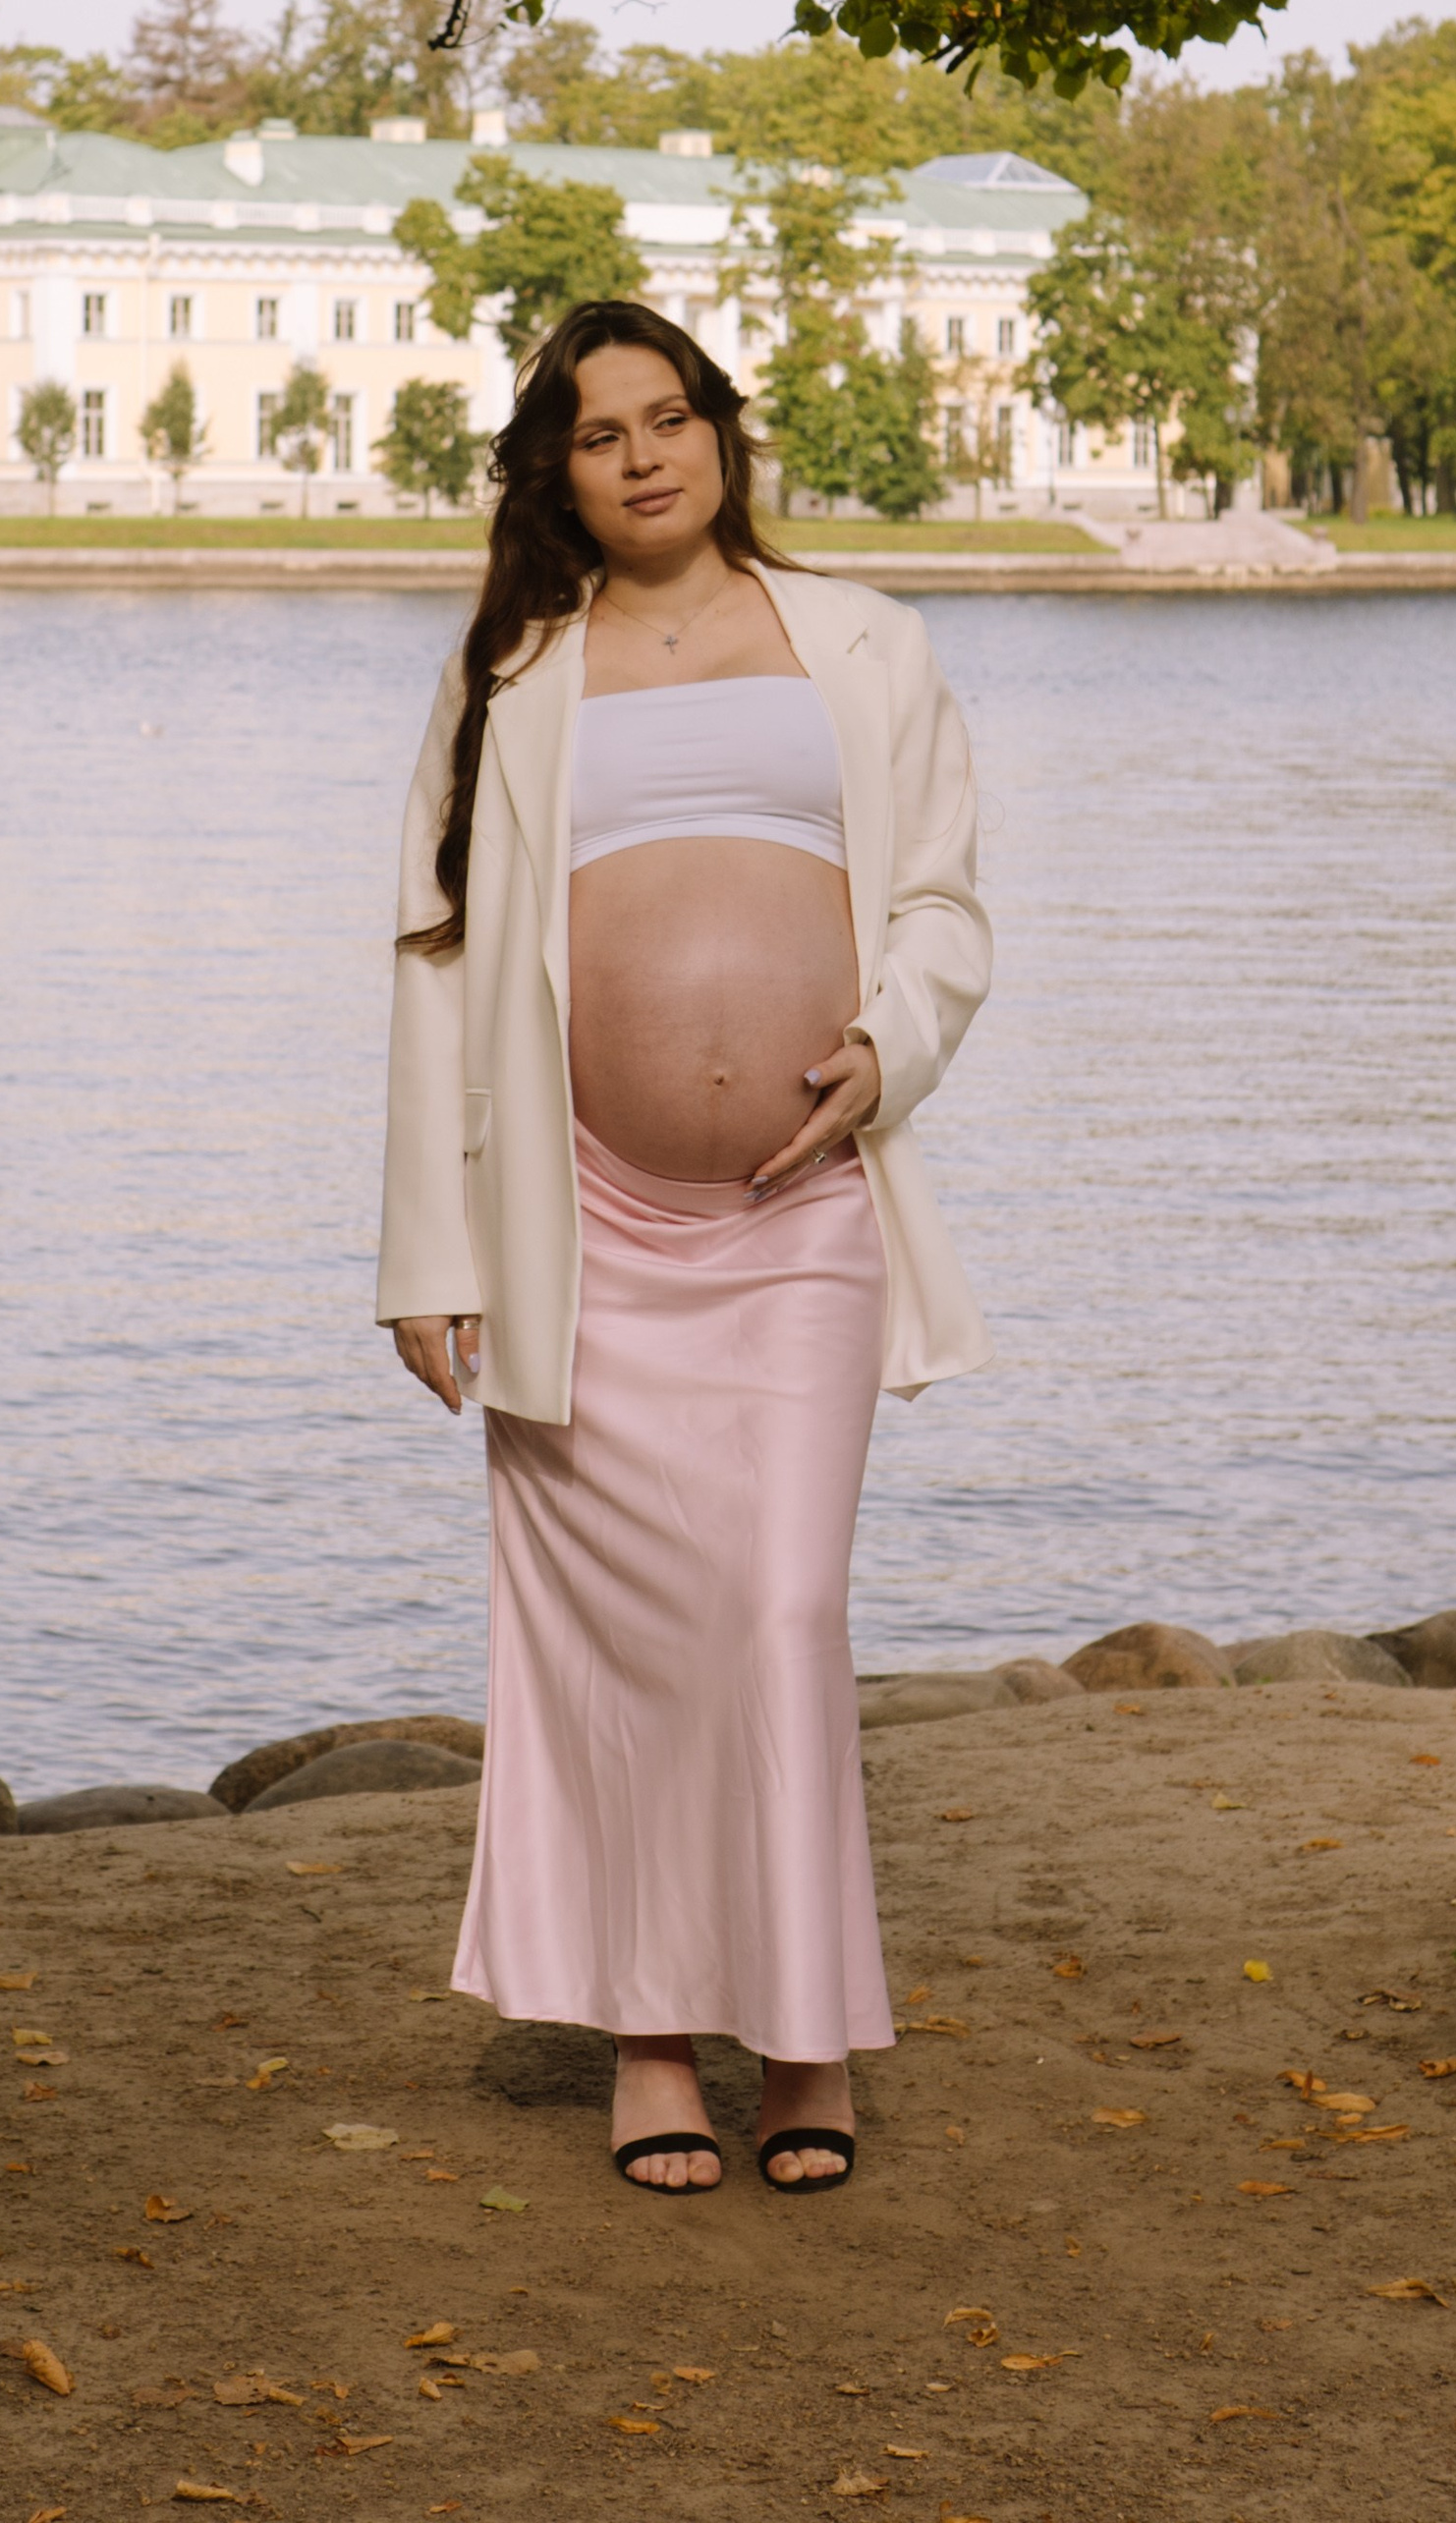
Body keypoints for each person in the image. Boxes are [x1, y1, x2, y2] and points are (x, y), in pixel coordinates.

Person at [378, 301, 993, 2194]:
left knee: (784, 1613)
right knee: (624, 1644)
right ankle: (655, 2039)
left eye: (669, 419)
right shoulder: (513, 671)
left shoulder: (865, 648)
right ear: (550, 472)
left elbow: (945, 909)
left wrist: (886, 1050)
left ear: (723, 434)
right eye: (594, 434)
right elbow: (435, 956)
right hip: (583, 1230)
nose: (642, 456)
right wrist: (431, 1249)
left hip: (799, 1213)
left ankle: (806, 2033)